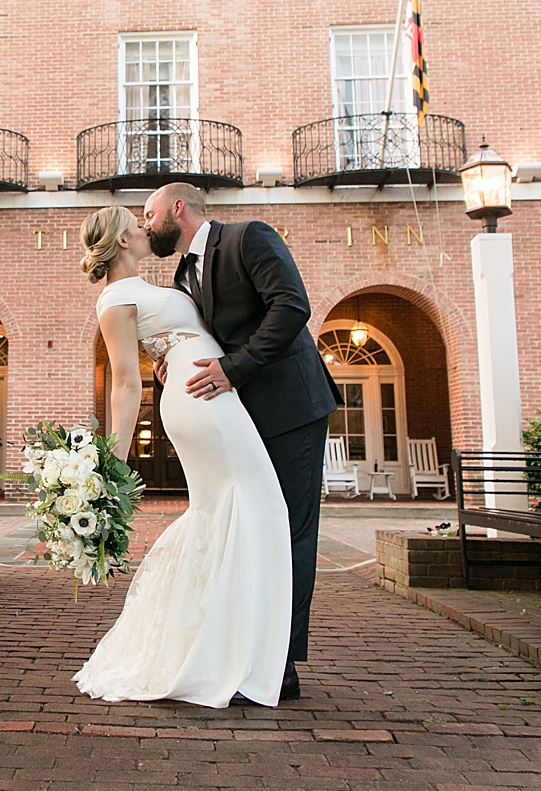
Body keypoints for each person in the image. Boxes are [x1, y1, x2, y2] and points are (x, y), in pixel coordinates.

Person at [72, 205, 292, 708]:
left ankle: (225, 648)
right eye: (137, 223)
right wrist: (113, 465)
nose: (146, 227)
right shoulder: (114, 300)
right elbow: (126, 384)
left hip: (211, 389)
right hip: (200, 403)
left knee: (235, 514)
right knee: (250, 507)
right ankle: (225, 655)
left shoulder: (157, 286)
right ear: (122, 240)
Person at [141, 182, 342, 702]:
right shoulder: (182, 274)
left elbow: (291, 307)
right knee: (250, 530)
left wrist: (235, 369)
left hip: (294, 407)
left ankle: (282, 665)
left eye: (149, 213)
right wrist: (173, 361)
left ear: (177, 209)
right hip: (243, 418)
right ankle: (246, 653)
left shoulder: (248, 238)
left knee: (290, 533)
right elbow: (203, 339)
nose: (144, 224)